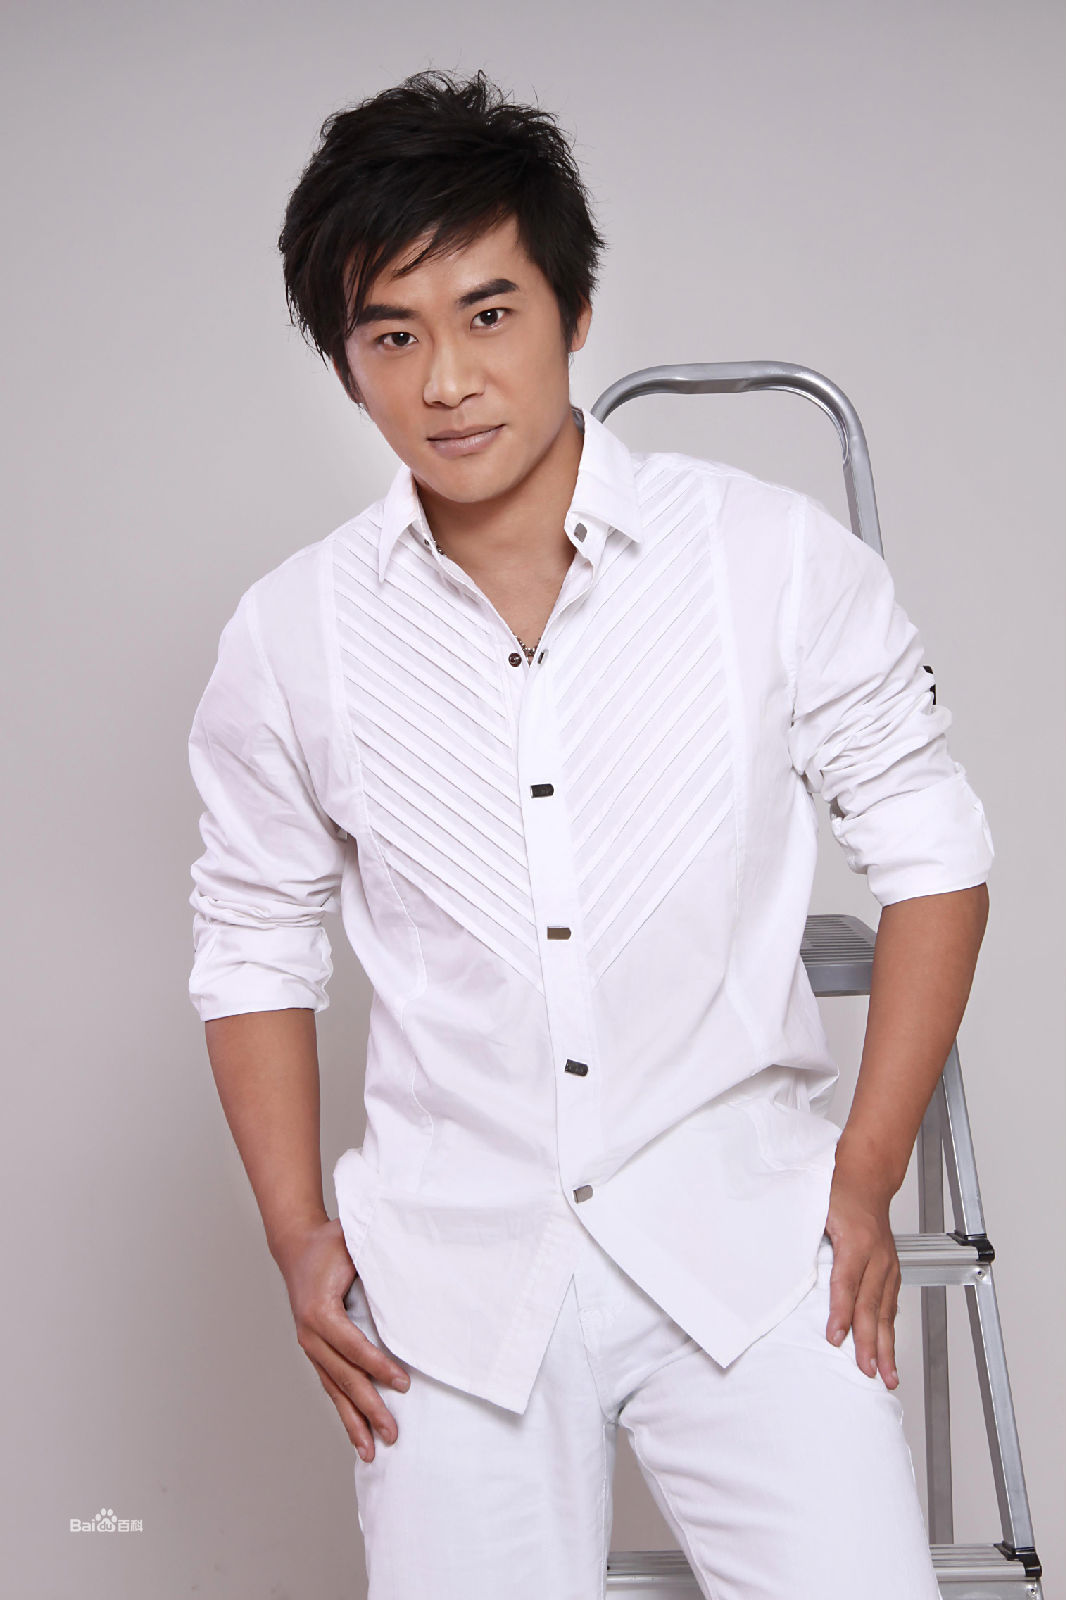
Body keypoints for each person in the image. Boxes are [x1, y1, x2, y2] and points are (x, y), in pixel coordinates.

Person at [187, 68, 993, 1600]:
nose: (446, 380)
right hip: (446, 1278)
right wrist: (297, 1234)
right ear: (345, 363)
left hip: (749, 1244)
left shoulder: (764, 560)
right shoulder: (292, 637)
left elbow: (934, 855)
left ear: (572, 310)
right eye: (390, 335)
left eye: (488, 314)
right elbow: (251, 943)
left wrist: (867, 1176)